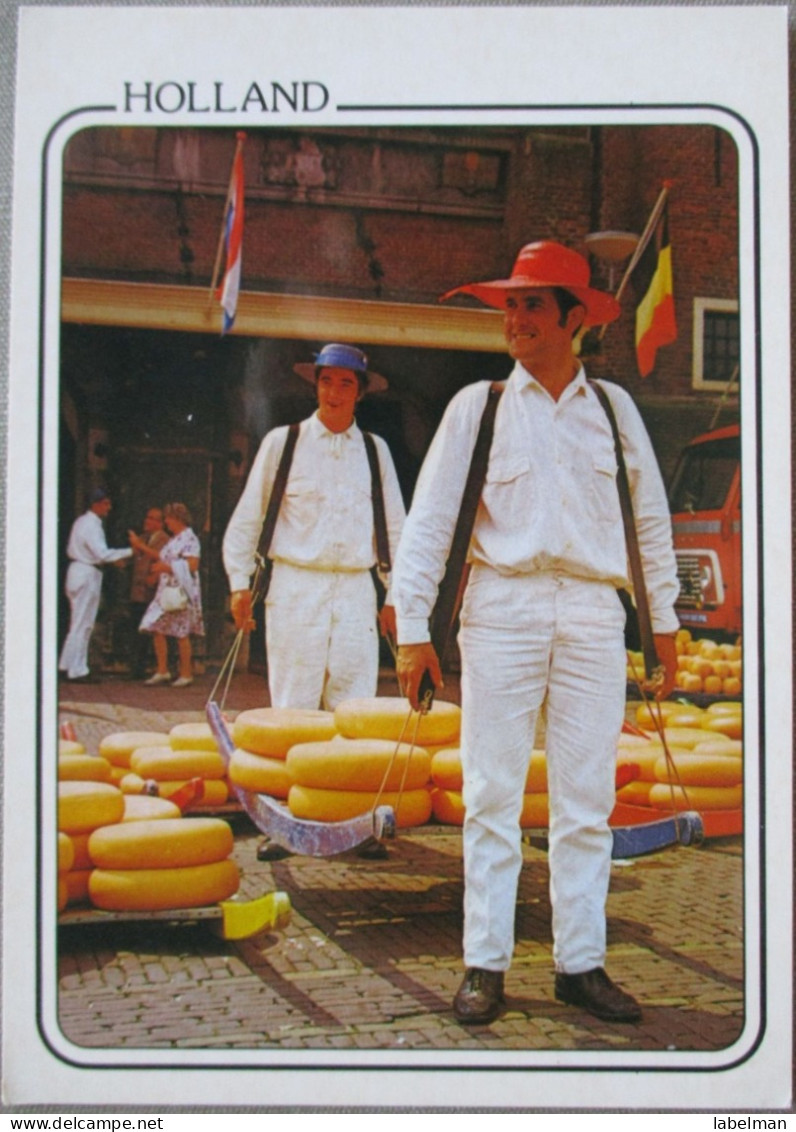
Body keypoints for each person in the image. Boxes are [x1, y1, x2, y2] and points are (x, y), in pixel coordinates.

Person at [392, 241, 679, 1025]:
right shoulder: (476, 407)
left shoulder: (617, 412)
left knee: (585, 802)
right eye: (509, 305)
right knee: (492, 794)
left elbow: (648, 523)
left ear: (575, 320)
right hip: (503, 609)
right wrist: (413, 630)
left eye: (531, 305)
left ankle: (579, 965)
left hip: (593, 614)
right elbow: (429, 525)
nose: (514, 319)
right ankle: (485, 963)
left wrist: (667, 624)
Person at [223, 342, 405, 712]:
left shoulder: (375, 450)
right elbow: (248, 518)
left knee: (356, 706)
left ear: (360, 392)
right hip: (296, 586)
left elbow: (396, 527)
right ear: (315, 385)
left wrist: (395, 596)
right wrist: (239, 583)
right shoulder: (283, 442)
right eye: (326, 382)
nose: (333, 393)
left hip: (356, 589)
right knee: (294, 704)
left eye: (345, 384)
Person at [58, 487, 133, 683]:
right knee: (83, 624)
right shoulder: (91, 524)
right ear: (97, 504)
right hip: (86, 572)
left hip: (79, 570)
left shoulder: (81, 522)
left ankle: (66, 664)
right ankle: (78, 670)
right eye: (106, 504)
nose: (108, 508)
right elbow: (102, 553)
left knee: (78, 622)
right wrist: (130, 551)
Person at [132, 502, 204, 688]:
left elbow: (193, 565)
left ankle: (186, 673)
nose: (166, 523)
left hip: (180, 590)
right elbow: (163, 557)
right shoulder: (175, 539)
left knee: (181, 632)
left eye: (168, 519)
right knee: (156, 625)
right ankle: (162, 670)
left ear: (177, 519)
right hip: (165, 590)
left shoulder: (190, 539)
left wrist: (167, 567)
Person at [127, 506, 169, 679]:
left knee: (152, 631)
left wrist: (140, 546)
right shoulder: (143, 538)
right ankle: (135, 668)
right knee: (136, 629)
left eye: (152, 518)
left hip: (153, 592)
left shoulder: (165, 540)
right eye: (147, 517)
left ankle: (152, 667)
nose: (147, 521)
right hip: (138, 591)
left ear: (160, 523)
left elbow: (162, 556)